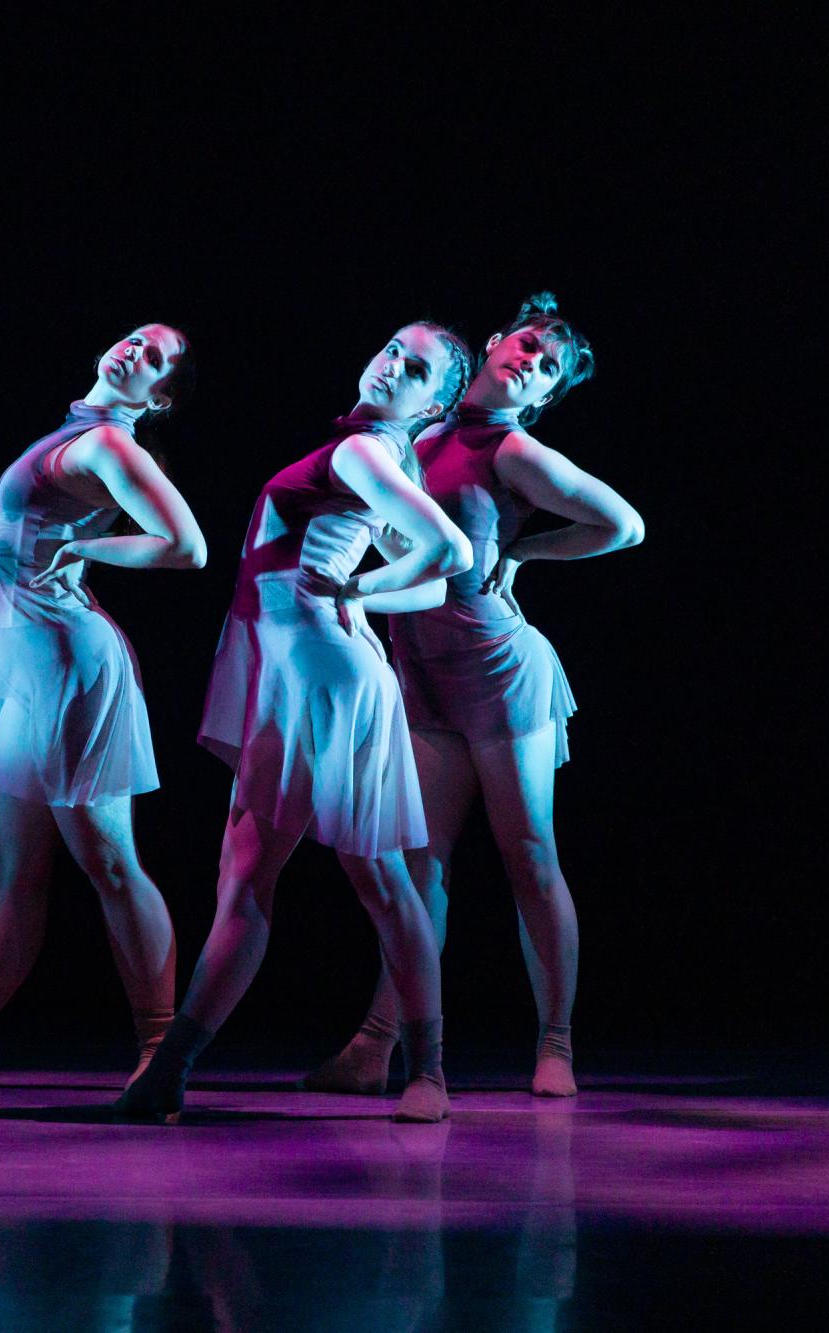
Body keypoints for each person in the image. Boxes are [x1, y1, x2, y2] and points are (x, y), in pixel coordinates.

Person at [117, 323, 475, 1124]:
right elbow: (424, 585)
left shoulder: (365, 453)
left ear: (436, 402)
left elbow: (448, 555)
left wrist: (347, 596)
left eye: (415, 368)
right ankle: (174, 1071)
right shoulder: (381, 458)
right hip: (313, 665)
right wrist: (360, 594)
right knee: (317, 877)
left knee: (292, 877)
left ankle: (176, 1070)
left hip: (316, 673)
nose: (391, 364)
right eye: (390, 348)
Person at [303, 293, 642, 1099]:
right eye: (527, 345)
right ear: (494, 344)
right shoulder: (416, 431)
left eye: (546, 367)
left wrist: (525, 555)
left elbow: (622, 525)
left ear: (542, 395)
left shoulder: (513, 448)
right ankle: (380, 1042)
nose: (529, 361)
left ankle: (555, 1044)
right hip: (421, 665)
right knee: (419, 862)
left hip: (495, 669)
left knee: (529, 852)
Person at [0, 325, 205, 1087]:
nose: (133, 350)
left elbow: (187, 545)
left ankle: (159, 1048)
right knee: (19, 873)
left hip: (68, 668)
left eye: (154, 358)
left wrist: (86, 553)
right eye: (135, 338)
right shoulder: (79, 435)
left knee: (108, 859)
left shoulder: (110, 444)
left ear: (160, 394)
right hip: (30, 669)